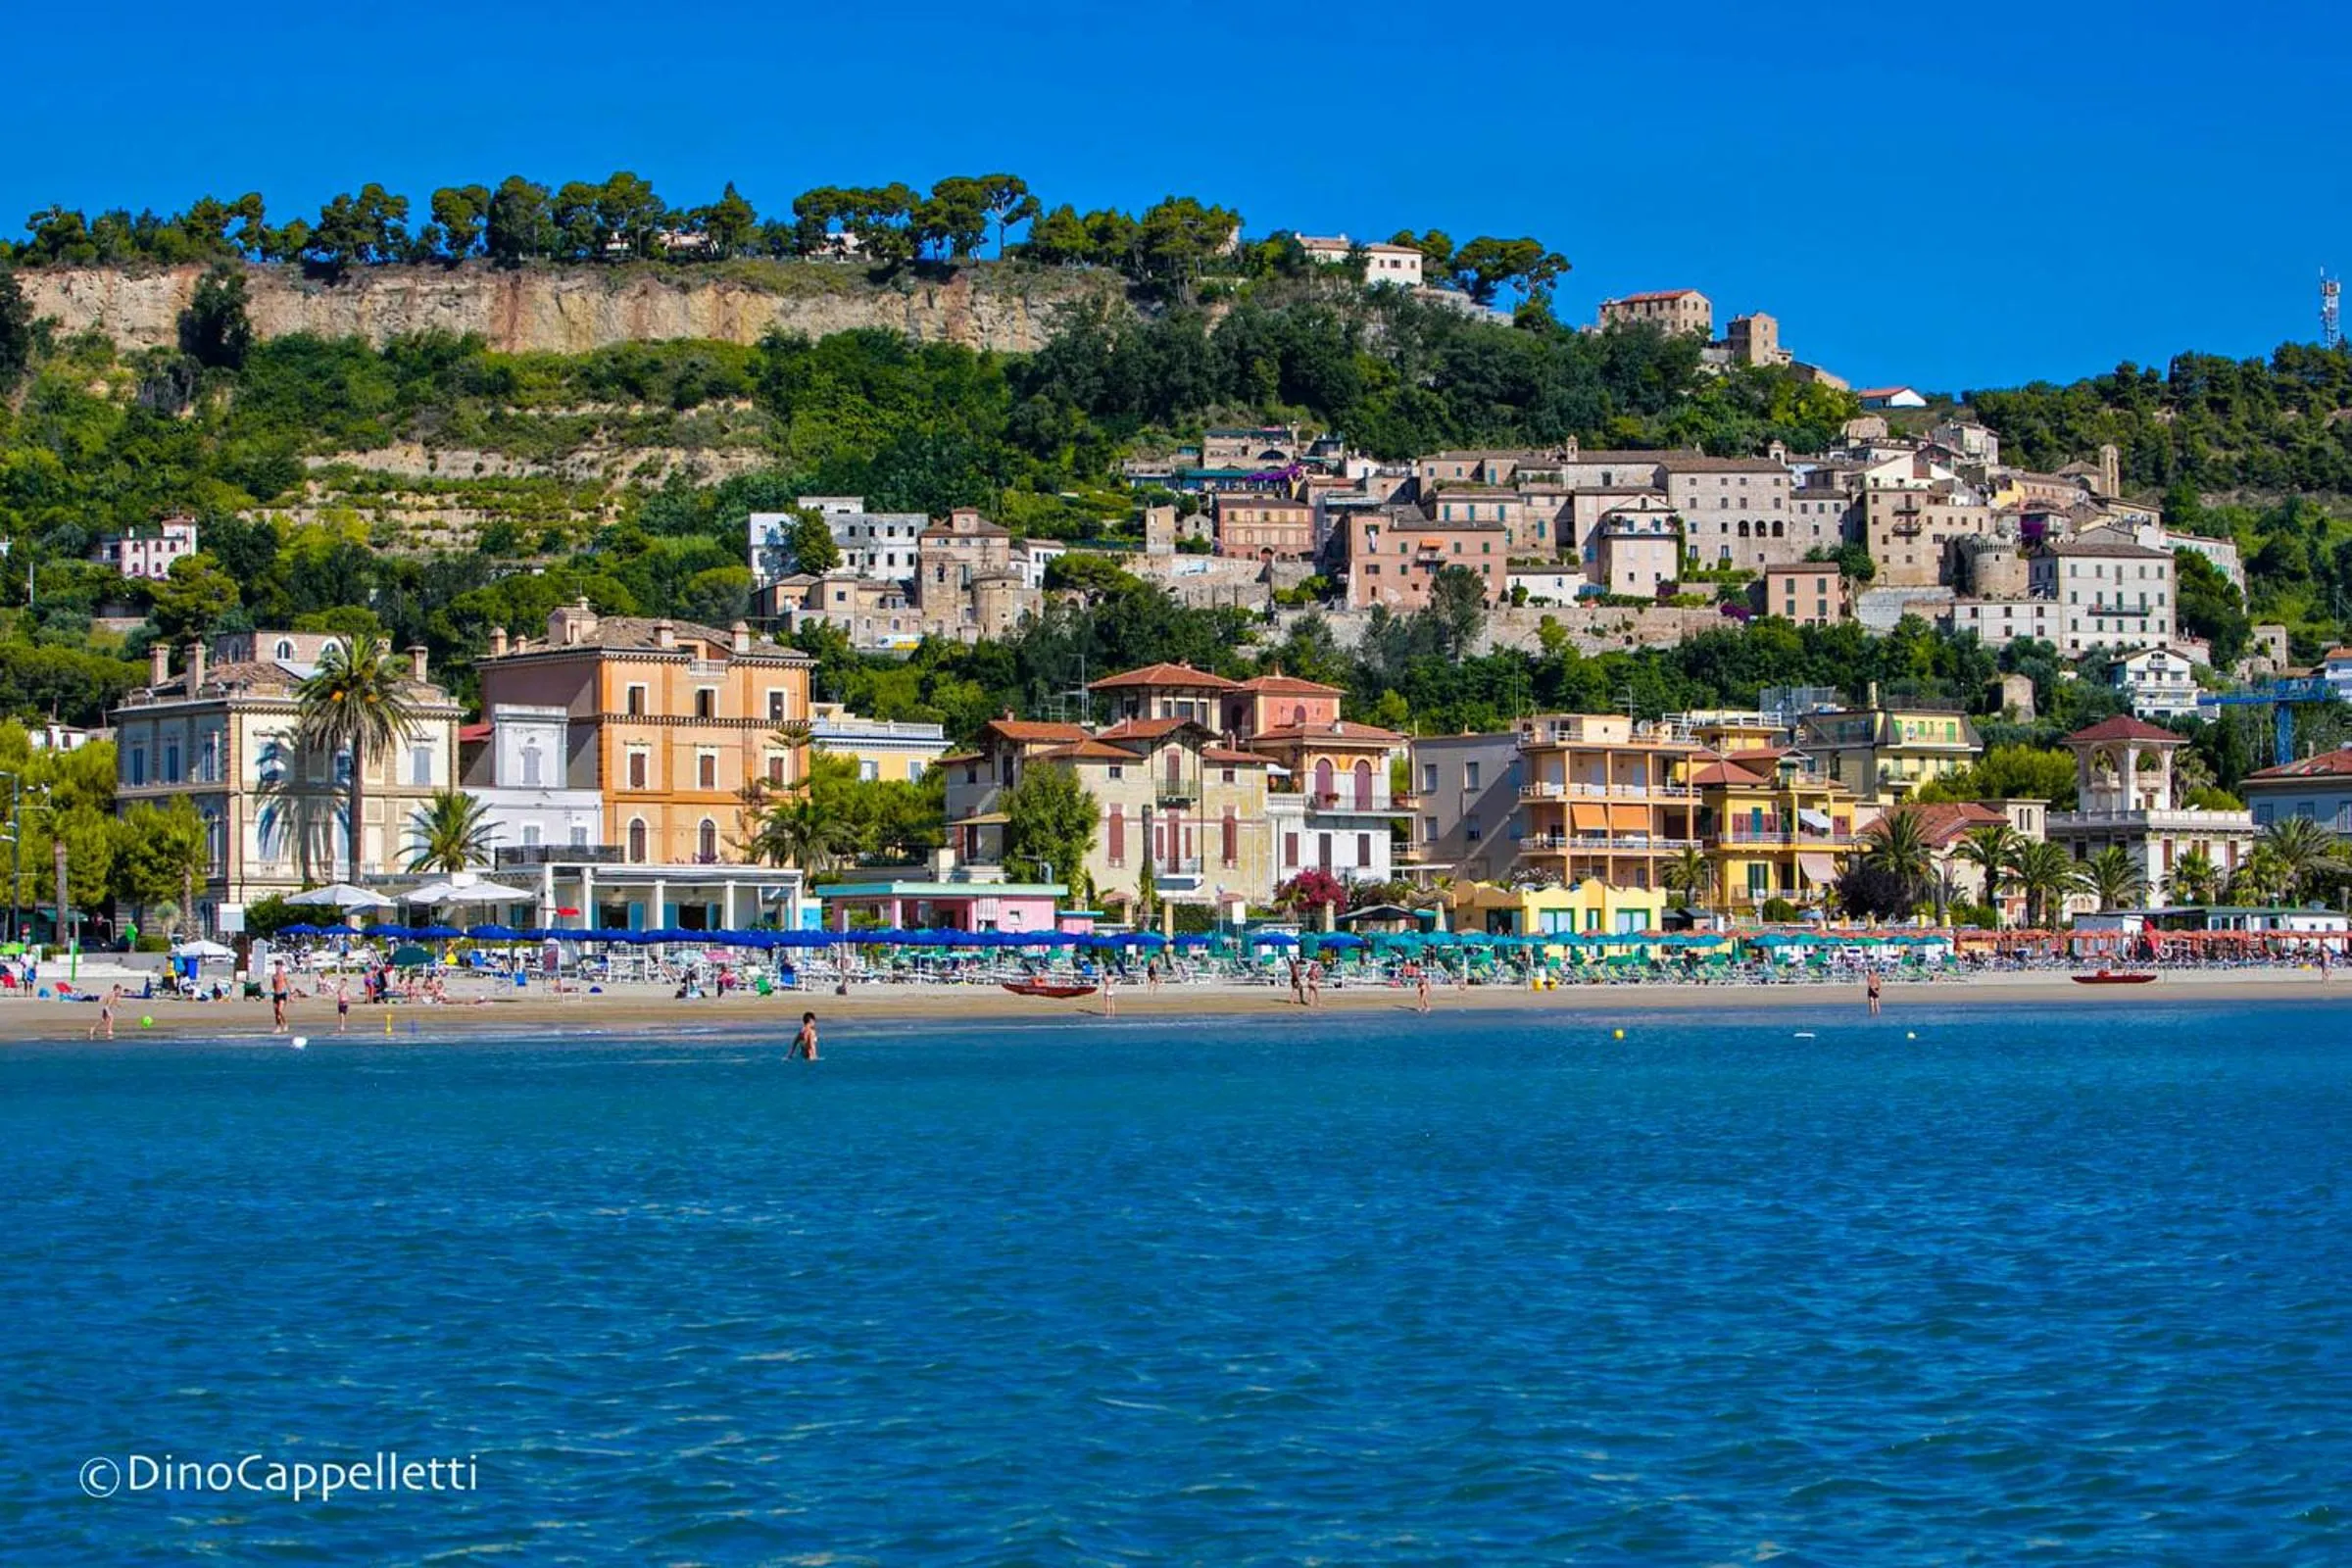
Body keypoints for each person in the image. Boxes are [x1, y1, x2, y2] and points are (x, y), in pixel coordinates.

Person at [270, 963, 290, 1034]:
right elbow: (273, 985)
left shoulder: (284, 975)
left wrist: (291, 994)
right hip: (276, 995)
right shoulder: (274, 976)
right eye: (276, 968)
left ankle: (285, 1023)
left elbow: (288, 984)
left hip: (282, 994)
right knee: (276, 1013)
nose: (278, 969)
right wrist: (271, 991)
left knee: (280, 1011)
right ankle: (278, 1027)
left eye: (279, 968)